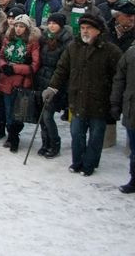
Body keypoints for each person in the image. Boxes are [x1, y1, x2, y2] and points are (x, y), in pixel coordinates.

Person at [43, 13, 122, 176]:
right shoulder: (74, 46)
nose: (85, 32)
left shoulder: (110, 50)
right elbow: (62, 69)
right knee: (76, 133)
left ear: (98, 31)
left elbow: (118, 77)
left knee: (95, 136)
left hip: (99, 101)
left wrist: (115, 101)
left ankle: (89, 164)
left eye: (89, 28)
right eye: (83, 28)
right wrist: (52, 88)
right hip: (77, 98)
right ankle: (77, 161)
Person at [0, 14, 41, 152]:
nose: (18, 29)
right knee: (8, 109)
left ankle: (14, 135)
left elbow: (34, 65)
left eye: (21, 26)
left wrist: (15, 68)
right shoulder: (8, 39)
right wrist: (3, 65)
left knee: (18, 112)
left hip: (21, 82)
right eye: (16, 26)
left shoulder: (32, 43)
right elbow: (1, 56)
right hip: (6, 79)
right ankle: (10, 134)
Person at [33, 13, 72, 158]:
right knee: (41, 116)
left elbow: (64, 66)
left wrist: (56, 84)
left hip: (55, 82)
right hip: (41, 79)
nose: (51, 26)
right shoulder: (44, 39)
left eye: (55, 23)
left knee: (48, 115)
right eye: (50, 23)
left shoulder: (66, 41)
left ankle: (55, 143)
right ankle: (45, 142)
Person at [111, 42, 135, 192]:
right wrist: (115, 103)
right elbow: (119, 79)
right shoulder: (131, 53)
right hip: (132, 108)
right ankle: (134, 179)